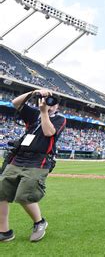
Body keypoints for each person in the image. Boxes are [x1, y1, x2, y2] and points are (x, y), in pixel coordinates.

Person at [0, 89, 66, 242]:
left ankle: (39, 222)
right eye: (46, 100)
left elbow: (48, 132)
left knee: (25, 195)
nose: (49, 104)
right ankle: (4, 231)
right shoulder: (33, 114)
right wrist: (34, 92)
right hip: (18, 159)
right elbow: (15, 102)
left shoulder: (60, 119)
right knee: (1, 193)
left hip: (39, 162)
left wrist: (44, 112)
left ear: (57, 106)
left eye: (52, 102)